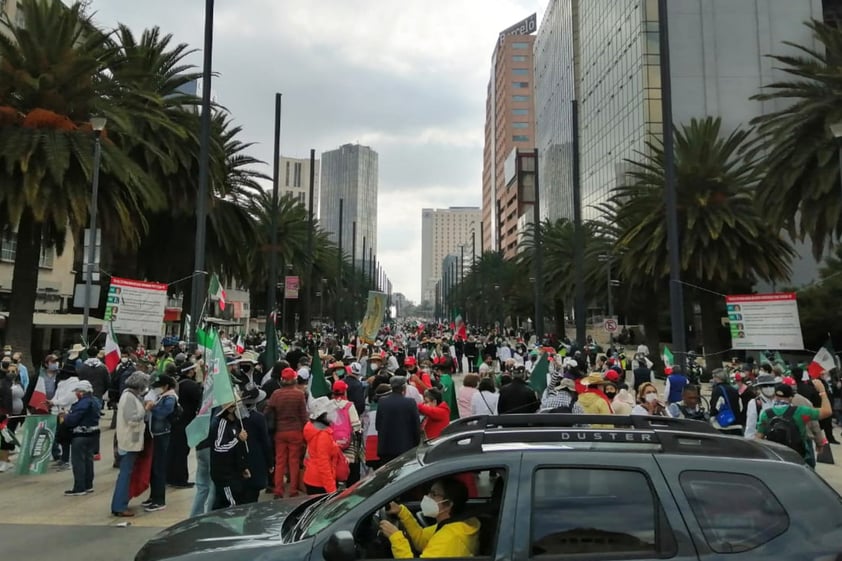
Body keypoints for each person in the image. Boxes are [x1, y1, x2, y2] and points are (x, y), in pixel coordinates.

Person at [378, 477, 480, 559]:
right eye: (429, 492)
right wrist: (401, 512)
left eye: (433, 494)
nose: (427, 497)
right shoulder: (453, 525)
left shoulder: (450, 537)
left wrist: (396, 538)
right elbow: (421, 540)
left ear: (448, 504)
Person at [756, 380, 832, 467]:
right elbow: (827, 411)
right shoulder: (800, 411)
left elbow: (759, 438)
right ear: (791, 398)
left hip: (776, 457)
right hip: (798, 457)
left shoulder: (766, 414)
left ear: (775, 397)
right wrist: (822, 392)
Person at [110, 371, 150, 516]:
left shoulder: (133, 396)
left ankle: (121, 503)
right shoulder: (128, 397)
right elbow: (131, 419)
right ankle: (119, 506)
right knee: (125, 474)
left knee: (127, 473)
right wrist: (145, 410)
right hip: (129, 441)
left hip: (132, 441)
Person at [266, 367, 308, 498]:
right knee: (294, 461)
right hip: (295, 431)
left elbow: (268, 411)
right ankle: (293, 490)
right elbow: (303, 416)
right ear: (294, 379)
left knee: (280, 461)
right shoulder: (299, 394)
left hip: (280, 431)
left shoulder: (276, 394)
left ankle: (278, 489)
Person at [142, 374, 178, 512]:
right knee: (154, 467)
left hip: (163, 436)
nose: (156, 389)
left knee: (159, 468)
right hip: (155, 435)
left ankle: (159, 500)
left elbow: (163, 413)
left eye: (159, 387)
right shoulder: (162, 396)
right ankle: (153, 496)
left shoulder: (170, 398)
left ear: (166, 386)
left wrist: (152, 408)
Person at [62, 380, 101, 496]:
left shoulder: (83, 403)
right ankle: (88, 485)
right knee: (89, 461)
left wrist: (66, 417)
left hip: (80, 435)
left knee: (78, 461)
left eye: (77, 392)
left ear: (82, 392)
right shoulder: (95, 401)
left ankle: (79, 487)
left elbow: (73, 419)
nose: (76, 394)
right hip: (93, 435)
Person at [167, 363, 201, 488]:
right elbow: (199, 401)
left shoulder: (176, 384)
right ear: (190, 371)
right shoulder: (191, 386)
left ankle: (170, 477)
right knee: (182, 452)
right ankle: (180, 479)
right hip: (186, 422)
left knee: (173, 450)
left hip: (175, 422)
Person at [211, 401, 250, 508]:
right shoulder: (221, 423)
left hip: (234, 471)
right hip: (225, 474)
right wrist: (237, 439)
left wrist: (243, 467)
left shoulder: (235, 423)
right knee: (231, 505)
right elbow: (218, 447)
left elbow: (238, 449)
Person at [375, 376, 421, 464]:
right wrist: (416, 444)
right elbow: (416, 426)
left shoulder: (382, 402)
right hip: (405, 448)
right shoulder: (410, 402)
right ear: (404, 387)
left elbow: (378, 425)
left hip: (386, 448)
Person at [302, 396, 341, 494]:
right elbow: (323, 464)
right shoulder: (323, 435)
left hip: (312, 478)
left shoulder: (313, 429)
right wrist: (331, 490)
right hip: (320, 482)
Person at [241, 389, 273, 504]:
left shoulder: (238, 418)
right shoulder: (259, 418)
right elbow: (265, 441)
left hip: (241, 457)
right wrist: (270, 462)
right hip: (256, 458)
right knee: (253, 493)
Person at [331, 380, 362, 485]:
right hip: (348, 447)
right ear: (345, 391)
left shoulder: (328, 405)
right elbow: (357, 427)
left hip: (333, 446)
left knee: (333, 471)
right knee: (351, 477)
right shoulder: (349, 405)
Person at [710, 369, 743, 435]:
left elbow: (715, 407)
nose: (712, 380)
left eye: (713, 377)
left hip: (723, 425)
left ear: (717, 378)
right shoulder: (733, 389)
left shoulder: (717, 390)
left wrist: (711, 416)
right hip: (736, 422)